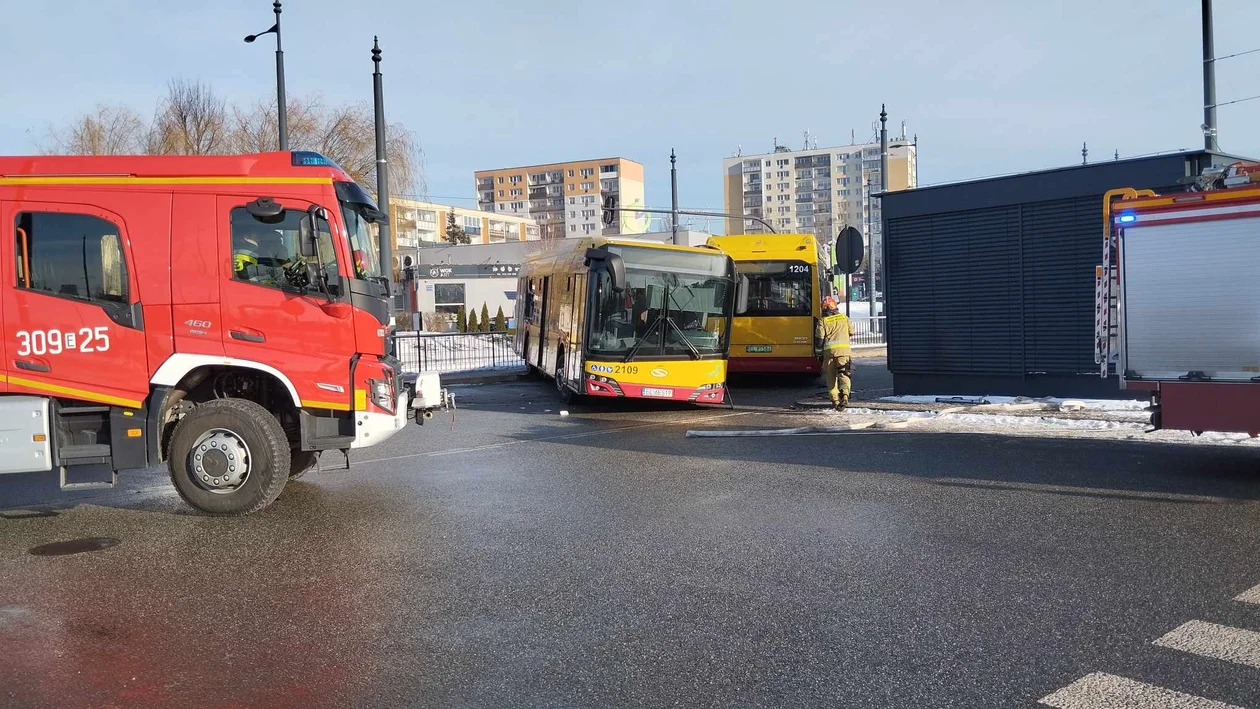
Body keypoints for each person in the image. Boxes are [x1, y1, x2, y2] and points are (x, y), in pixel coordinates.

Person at [816, 295, 855, 411]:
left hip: (829, 355)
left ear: (823, 309)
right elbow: (851, 332)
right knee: (844, 375)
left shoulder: (822, 321)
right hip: (844, 354)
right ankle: (845, 395)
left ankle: (835, 401)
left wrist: (819, 355)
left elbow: (819, 341)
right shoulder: (844, 318)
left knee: (831, 378)